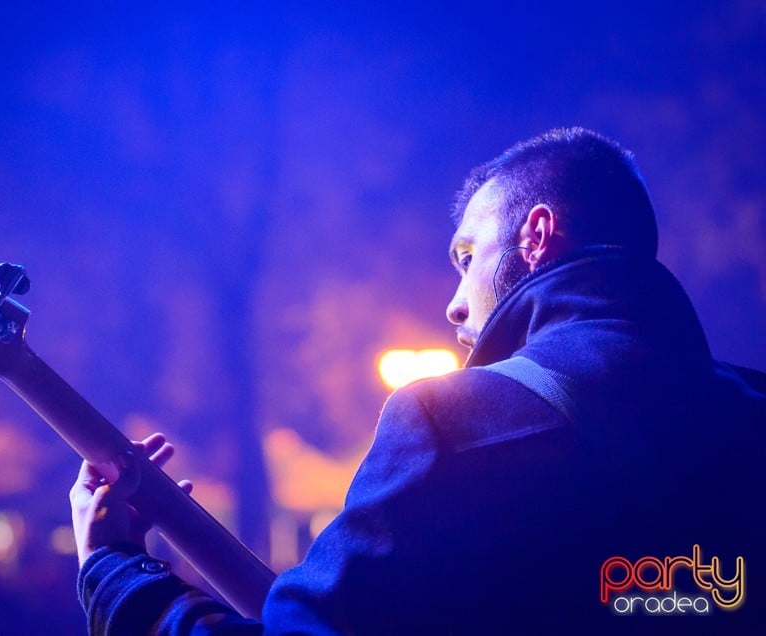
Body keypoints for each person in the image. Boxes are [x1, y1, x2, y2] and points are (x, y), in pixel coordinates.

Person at [70, 127, 766, 634]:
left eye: (468, 256)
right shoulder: (749, 413)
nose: (455, 303)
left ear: (536, 235)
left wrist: (113, 571)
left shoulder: (453, 423)